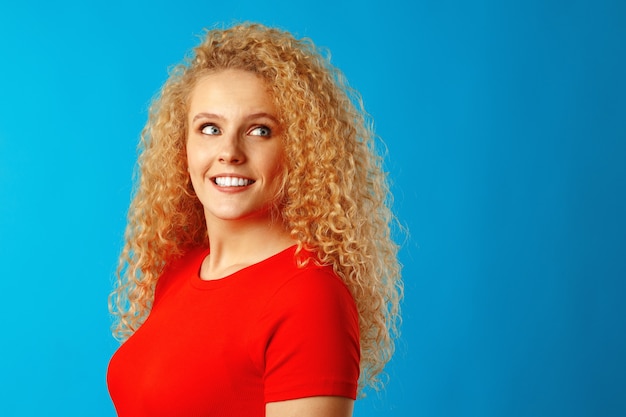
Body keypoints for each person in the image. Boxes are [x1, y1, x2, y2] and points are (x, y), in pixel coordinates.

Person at [107, 23, 402, 417]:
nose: (229, 151)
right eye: (210, 128)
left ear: (300, 149)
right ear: (184, 146)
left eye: (260, 130)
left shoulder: (309, 298)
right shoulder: (179, 269)